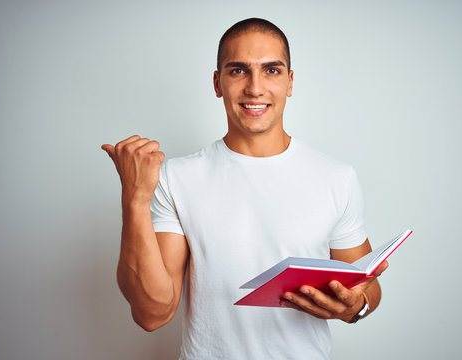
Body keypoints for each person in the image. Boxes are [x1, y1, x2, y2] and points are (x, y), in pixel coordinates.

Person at [102, 18, 388, 360]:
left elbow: (367, 287)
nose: (255, 88)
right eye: (238, 70)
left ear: (290, 82)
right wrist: (134, 200)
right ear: (217, 82)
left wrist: (354, 306)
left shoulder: (336, 178)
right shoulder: (177, 177)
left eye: (271, 70)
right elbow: (153, 313)